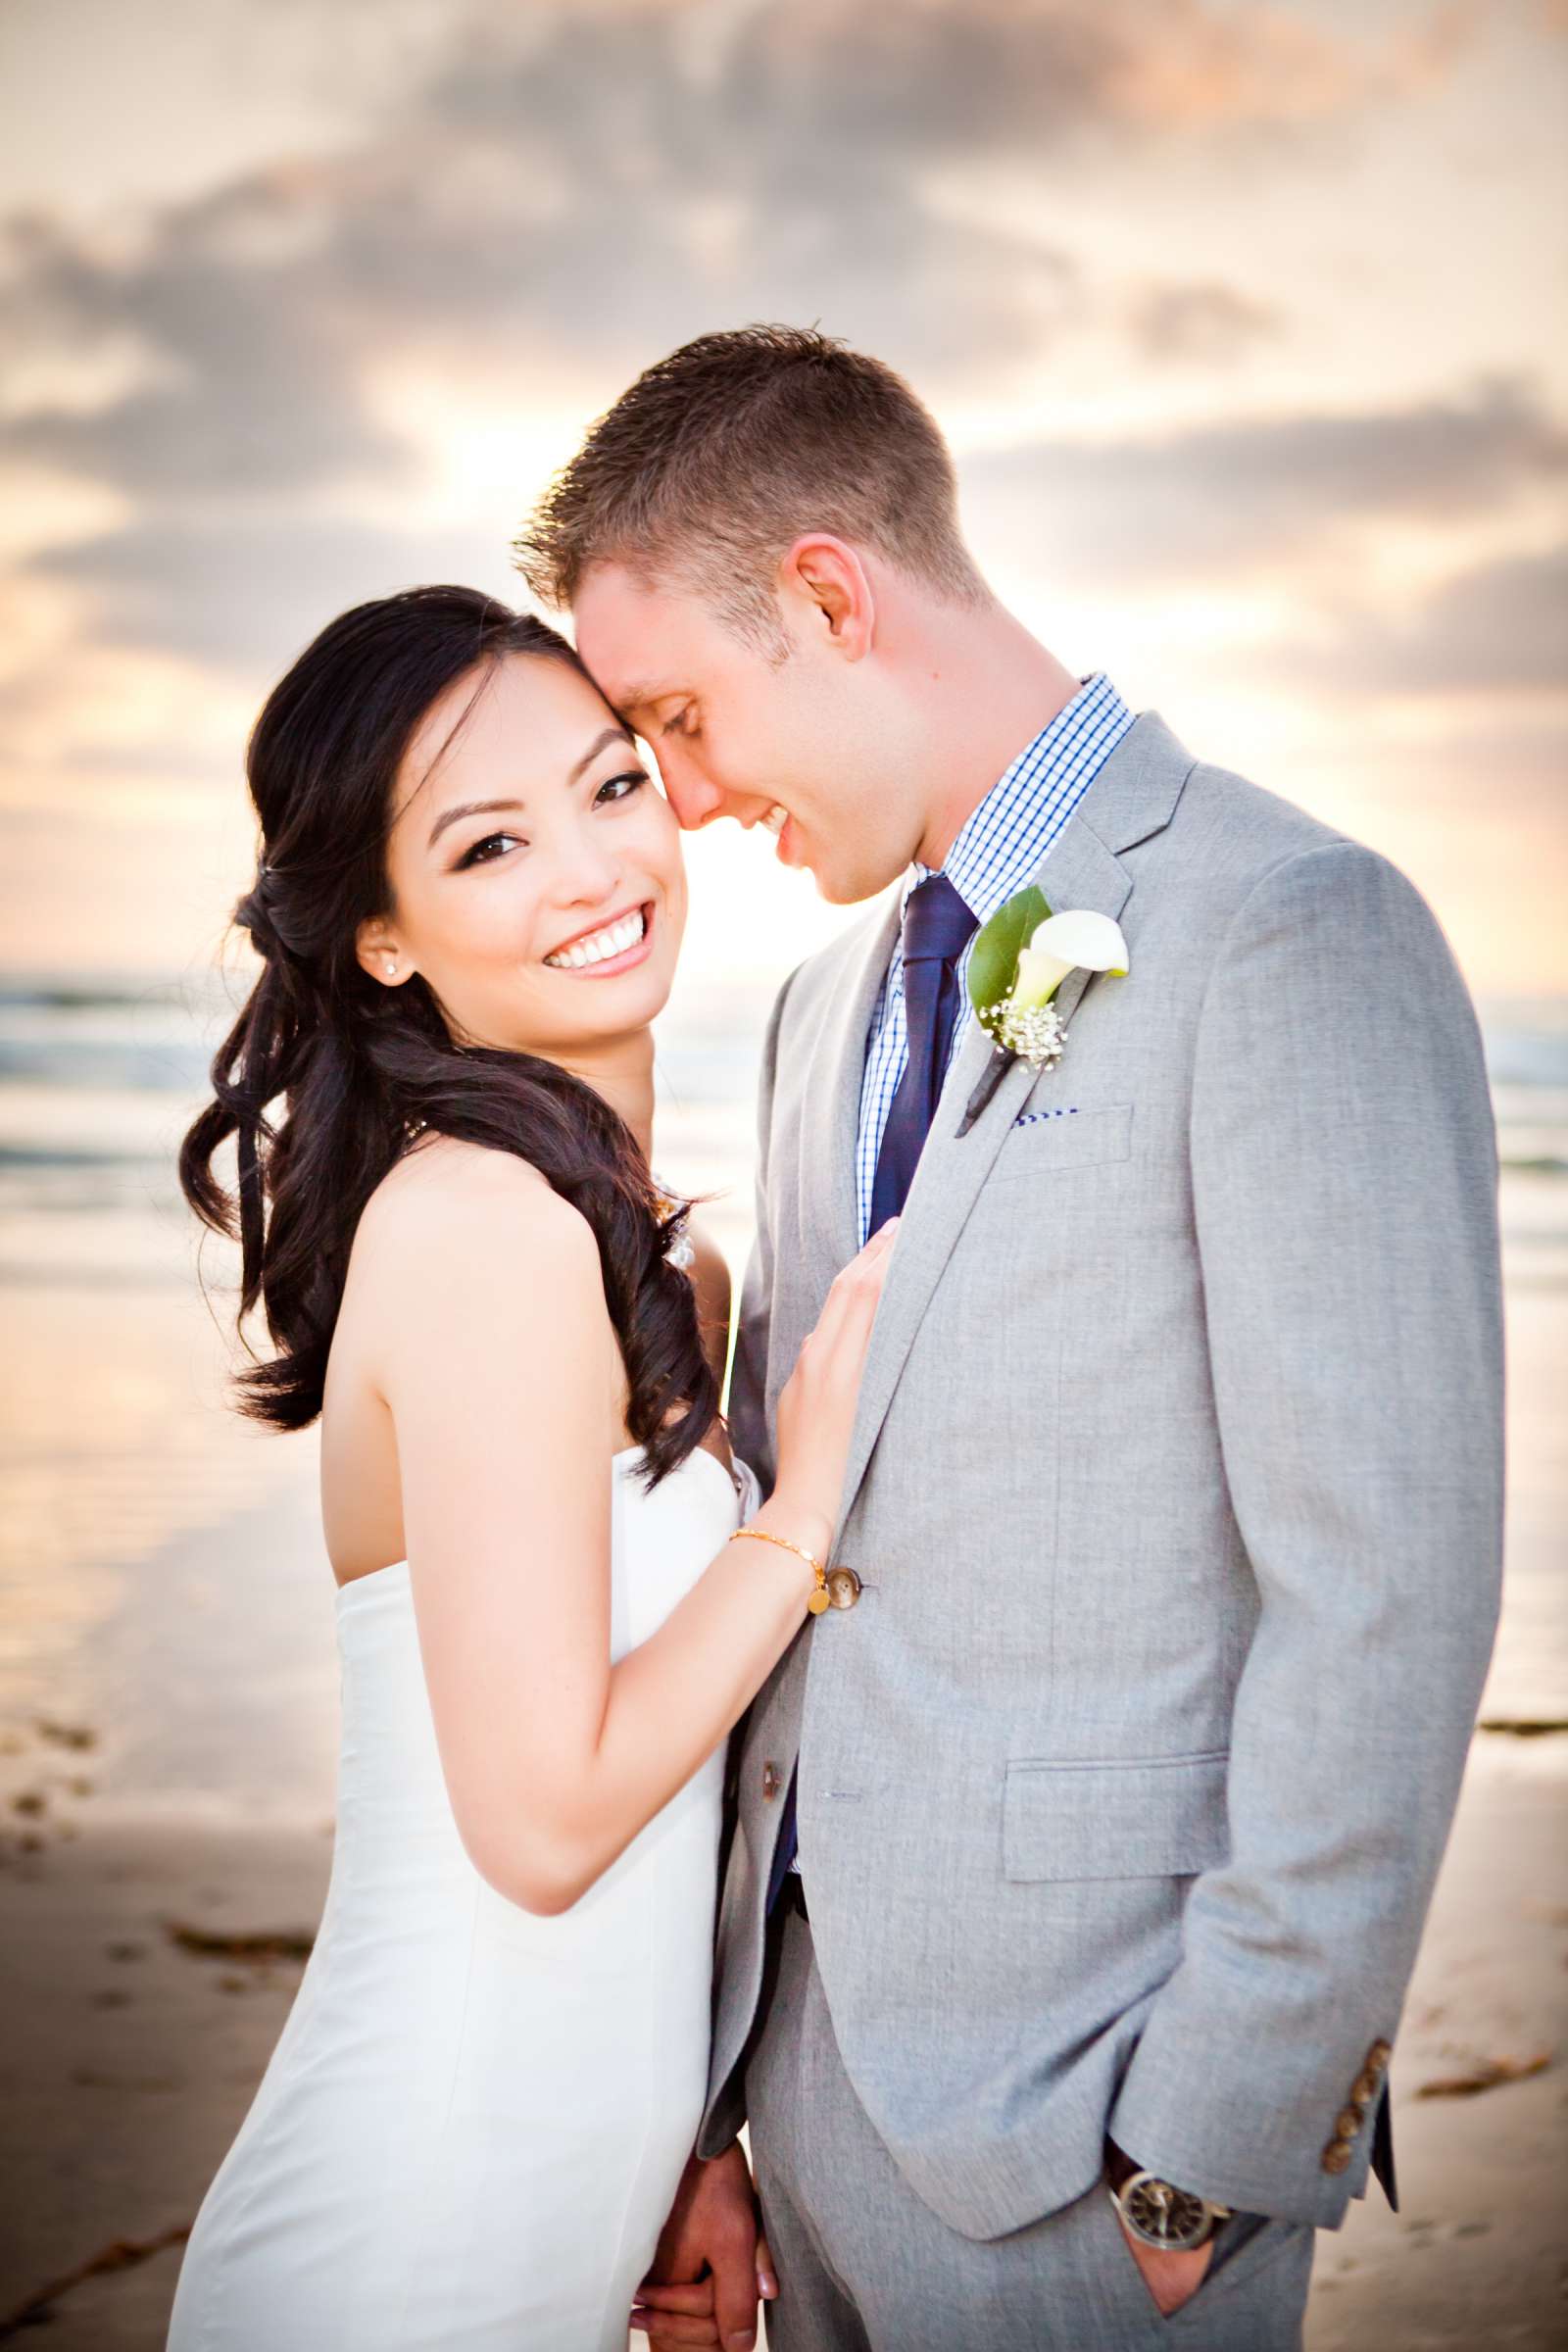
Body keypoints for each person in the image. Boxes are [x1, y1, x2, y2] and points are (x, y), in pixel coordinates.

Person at [516, 325, 1506, 2351]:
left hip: (1101, 2145)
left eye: (680, 719)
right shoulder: (811, 1023)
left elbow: (1383, 1587)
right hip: (806, 2123)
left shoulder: (1284, 927)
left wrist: (1209, 2143)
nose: (680, 802)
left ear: (825, 595)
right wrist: (714, 2108)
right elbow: (795, 1578)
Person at [166, 584, 895, 2352]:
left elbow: (687, 1804)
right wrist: (802, 1508)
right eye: (490, 843)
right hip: (408, 2235)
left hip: (570, 2215)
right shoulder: (481, 1229)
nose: (593, 868)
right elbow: (549, 1822)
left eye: (613, 786)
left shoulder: (655, 1263)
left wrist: (698, 2132)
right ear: (381, 936)